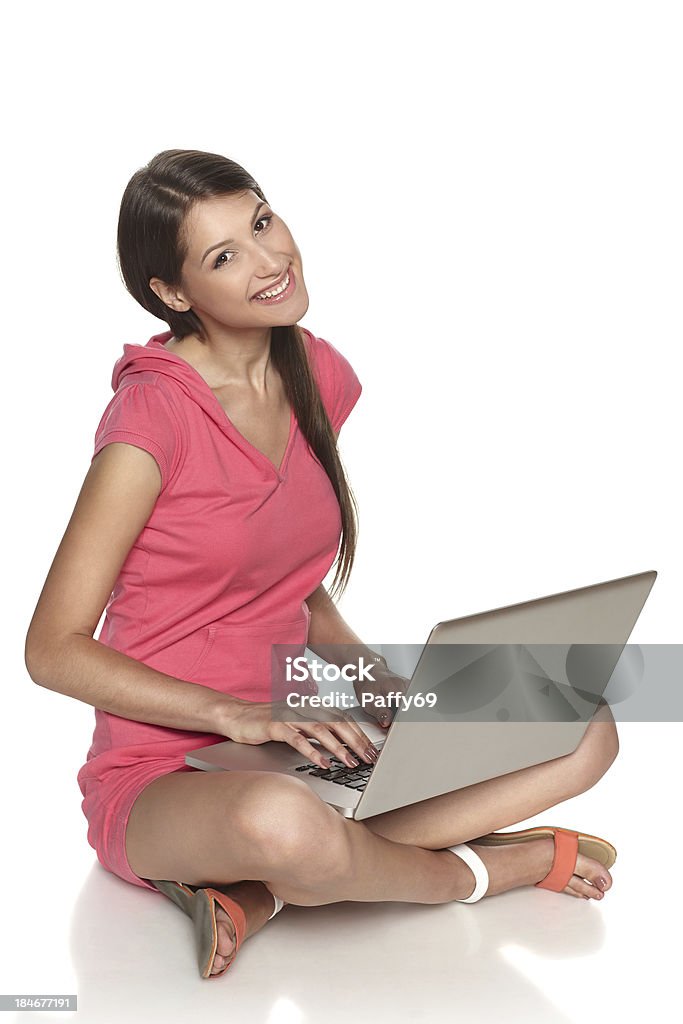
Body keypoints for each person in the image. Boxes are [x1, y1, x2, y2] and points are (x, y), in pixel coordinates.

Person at [24, 149, 621, 980]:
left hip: (303, 737)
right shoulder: (147, 424)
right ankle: (480, 870)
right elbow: (51, 648)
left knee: (582, 726)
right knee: (282, 825)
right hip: (167, 775)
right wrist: (233, 714)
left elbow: (284, 577)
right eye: (224, 255)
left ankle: (269, 895)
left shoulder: (317, 373)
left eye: (262, 221)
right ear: (172, 292)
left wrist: (382, 692)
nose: (270, 262)